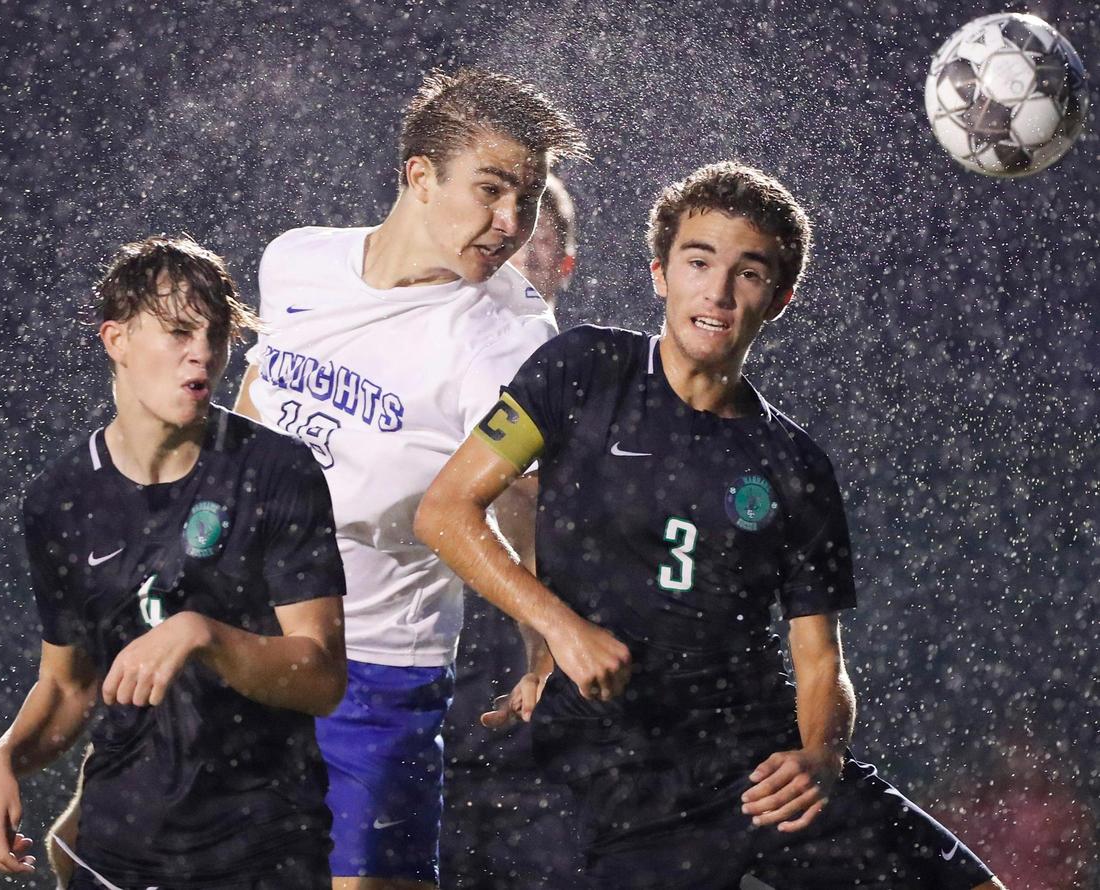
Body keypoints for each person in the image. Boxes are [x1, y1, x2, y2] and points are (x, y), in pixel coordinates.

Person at [415, 162, 1007, 889]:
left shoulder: (795, 465)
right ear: (660, 273)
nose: (718, 292)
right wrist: (561, 632)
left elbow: (820, 661)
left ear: (779, 298)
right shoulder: (582, 369)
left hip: (754, 769)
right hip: (620, 783)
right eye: (698, 261)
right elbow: (445, 511)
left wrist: (822, 756)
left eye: (748, 273)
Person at [234, 68, 589, 890]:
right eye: (492, 190)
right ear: (419, 177)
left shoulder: (507, 338)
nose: (509, 223)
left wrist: (544, 647)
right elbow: (250, 411)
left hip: (376, 667)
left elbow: (531, 506)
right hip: (245, 641)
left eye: (527, 199)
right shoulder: (297, 262)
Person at [0, 235, 347, 889]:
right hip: (117, 854)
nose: (201, 351)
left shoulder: (276, 471)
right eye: (176, 331)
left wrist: (204, 635)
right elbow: (68, 686)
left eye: (216, 332)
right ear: (116, 340)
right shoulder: (60, 500)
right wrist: (5, 757)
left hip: (264, 851)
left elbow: (320, 677)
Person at [441, 173, 587, 889]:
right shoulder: (437, 368)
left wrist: (547, 654)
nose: (510, 246)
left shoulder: (584, 387)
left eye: (532, 239)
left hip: (544, 744)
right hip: (434, 703)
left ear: (562, 265)